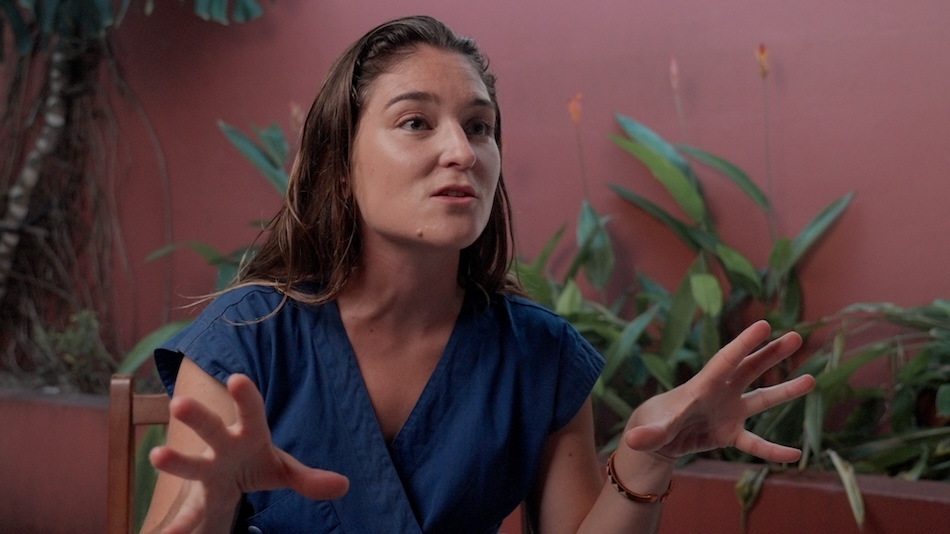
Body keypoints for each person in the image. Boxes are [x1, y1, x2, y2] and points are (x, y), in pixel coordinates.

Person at [142, 15, 815, 534]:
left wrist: (649, 456)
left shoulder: (539, 356)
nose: (462, 151)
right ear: (337, 170)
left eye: (479, 126)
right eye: (416, 122)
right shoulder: (247, 340)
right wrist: (213, 505)